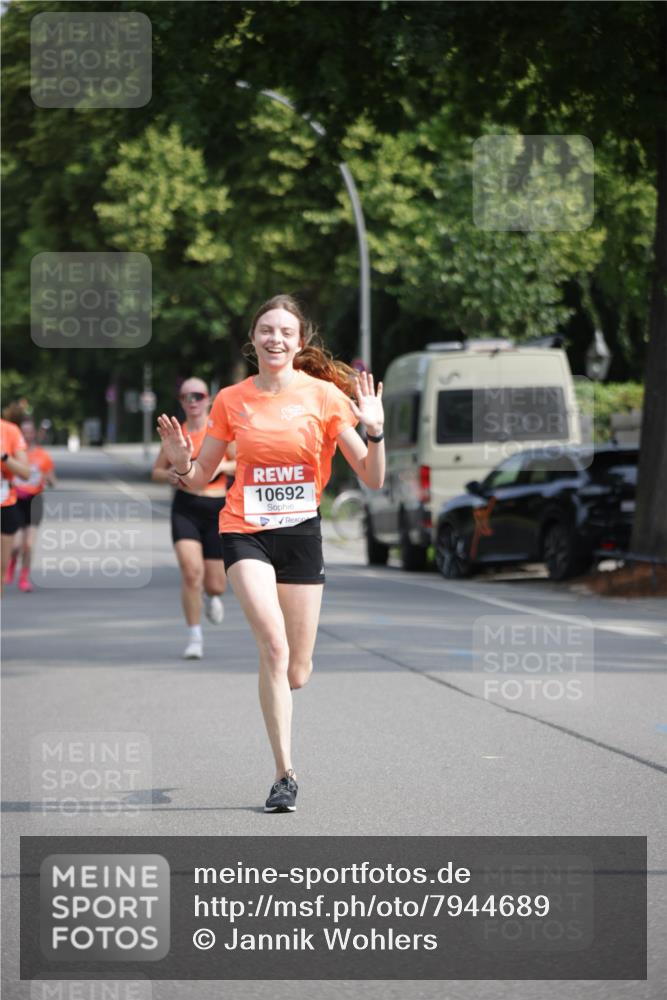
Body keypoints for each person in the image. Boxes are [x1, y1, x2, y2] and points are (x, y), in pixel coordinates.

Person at [157, 294, 385, 813]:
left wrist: (375, 429)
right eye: (266, 330)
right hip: (244, 531)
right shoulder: (231, 400)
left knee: (297, 671)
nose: (275, 338)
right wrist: (180, 461)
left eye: (285, 331)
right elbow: (199, 477)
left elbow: (372, 476)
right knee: (274, 648)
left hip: (301, 534)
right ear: (253, 339)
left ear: (299, 342)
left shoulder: (325, 397)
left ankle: (284, 701)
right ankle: (285, 773)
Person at [152, 377, 236, 660]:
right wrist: (172, 474)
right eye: (186, 397)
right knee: (191, 573)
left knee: (215, 583)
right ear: (181, 403)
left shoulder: (220, 432)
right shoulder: (178, 435)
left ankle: (212, 597)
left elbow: (241, 460)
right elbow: (156, 471)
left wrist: (218, 465)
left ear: (208, 399)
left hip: (217, 509)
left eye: (198, 396)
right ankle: (195, 637)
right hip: (186, 508)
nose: (192, 402)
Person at [5, 418, 57, 592]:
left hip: (34, 502)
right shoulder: (13, 453)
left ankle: (24, 578)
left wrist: (48, 480)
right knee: (16, 544)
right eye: (24, 432)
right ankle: (11, 564)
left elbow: (53, 480)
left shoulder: (43, 456)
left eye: (29, 431)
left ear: (34, 433)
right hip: (16, 500)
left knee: (29, 544)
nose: (27, 435)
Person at [1, 417, 30, 595]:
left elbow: (25, 473)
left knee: (0, 571)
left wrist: (4, 457)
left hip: (4, 505)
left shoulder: (9, 430)